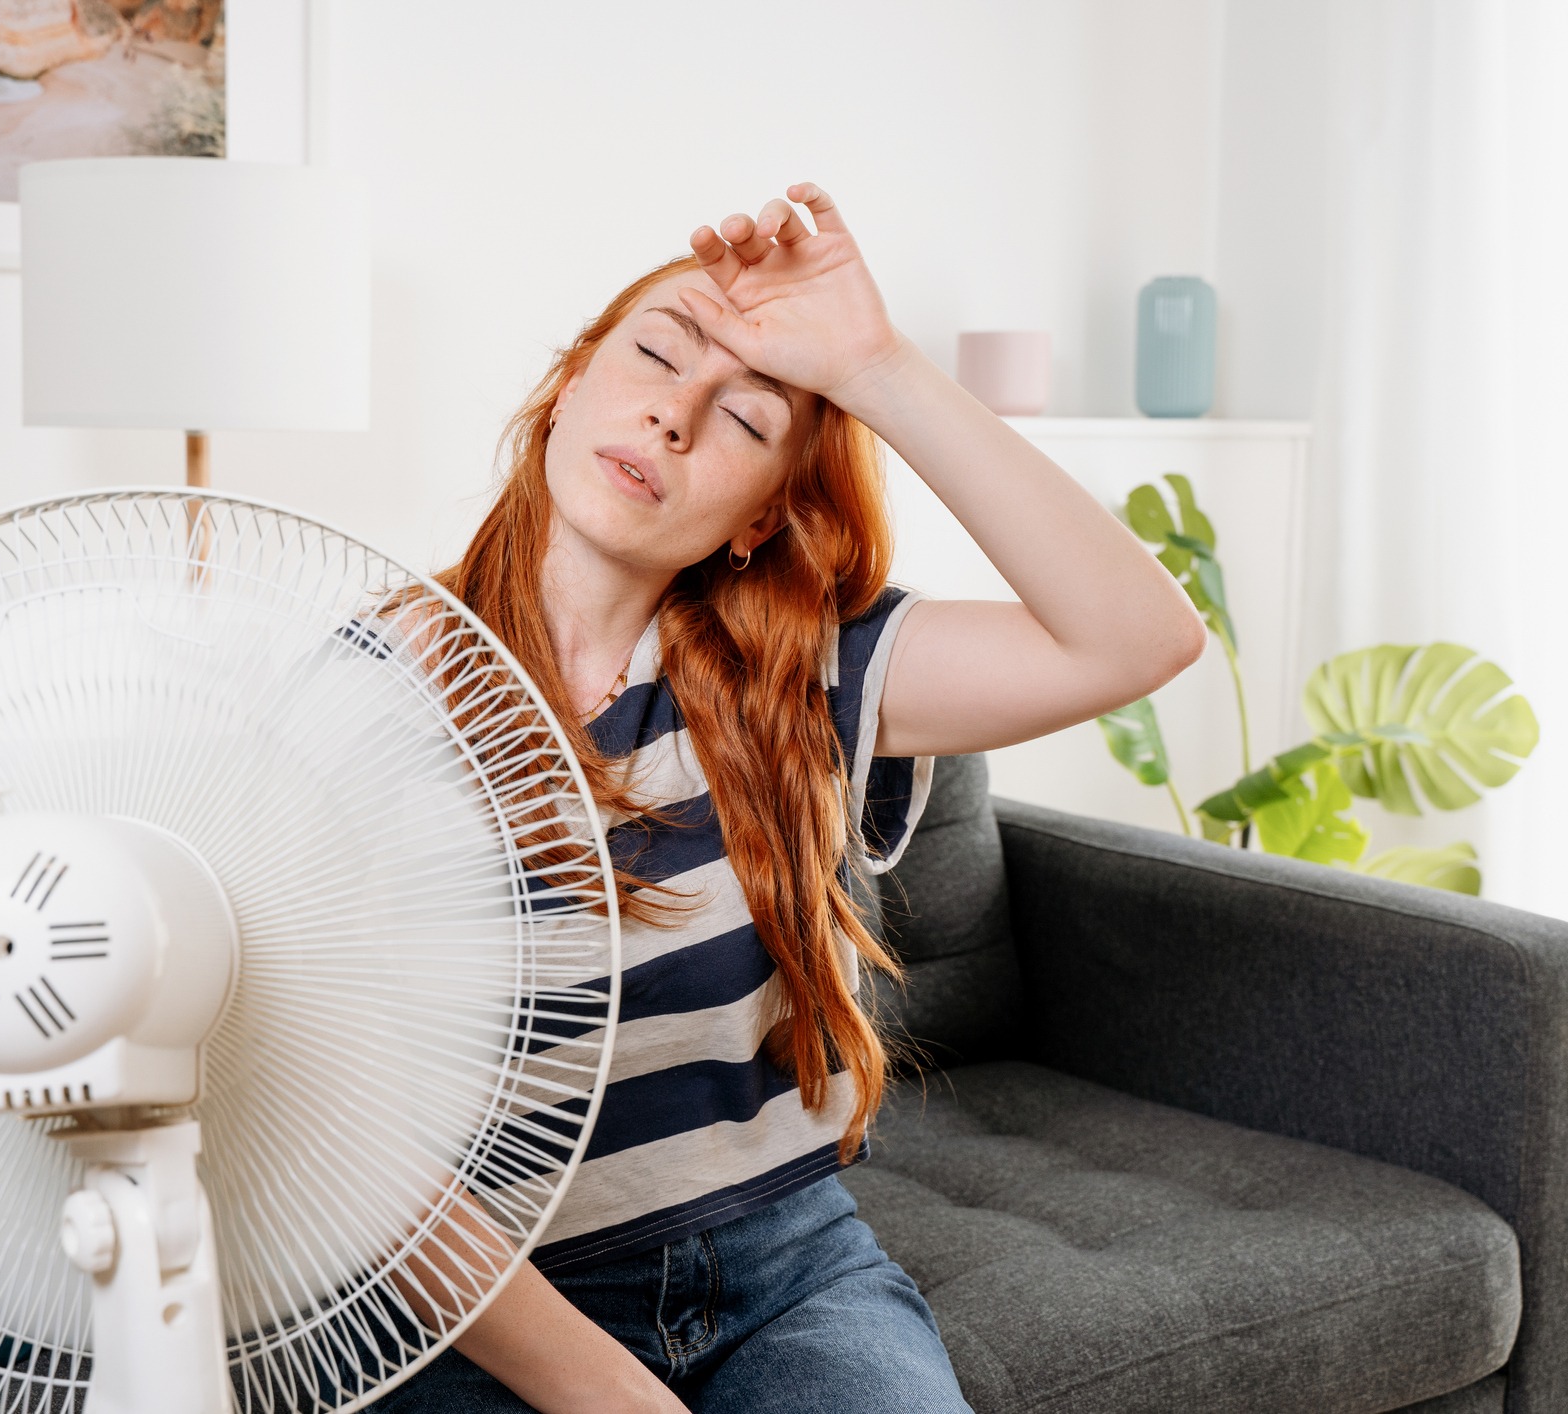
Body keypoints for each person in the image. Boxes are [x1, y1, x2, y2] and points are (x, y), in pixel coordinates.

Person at [377, 183, 1206, 1413]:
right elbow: (348, 1156)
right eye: (654, 354)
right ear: (568, 385)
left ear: (762, 516)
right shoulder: (369, 698)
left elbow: (1138, 638)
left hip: (787, 1272)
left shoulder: (800, 673)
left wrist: (873, 363)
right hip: (486, 1305)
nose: (672, 414)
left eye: (743, 419)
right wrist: (610, 1392)